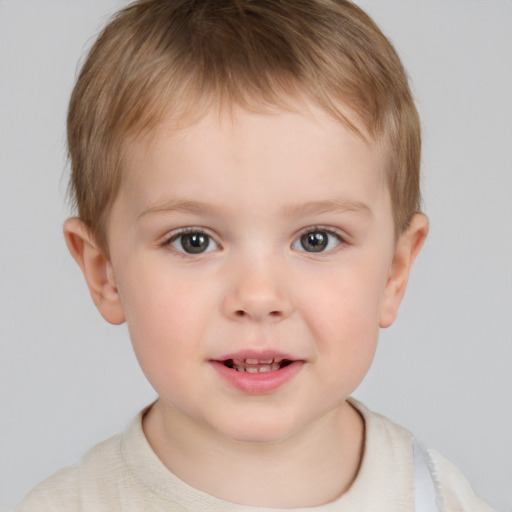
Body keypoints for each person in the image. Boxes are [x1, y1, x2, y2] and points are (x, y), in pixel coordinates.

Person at [15, 0, 494, 510]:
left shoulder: (438, 498)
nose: (259, 297)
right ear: (103, 271)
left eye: (316, 239)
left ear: (394, 274)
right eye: (193, 241)